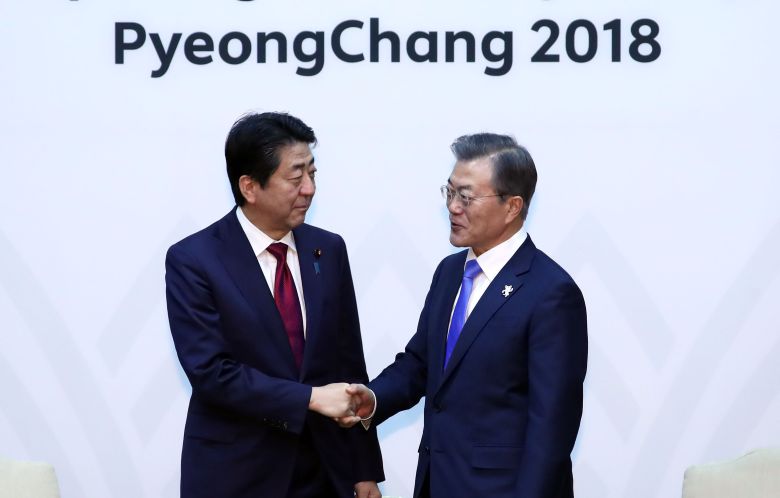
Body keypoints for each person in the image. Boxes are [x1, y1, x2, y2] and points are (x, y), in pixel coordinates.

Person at [342, 133, 588, 498]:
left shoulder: (551, 292)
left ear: (512, 206)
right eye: (450, 192)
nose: (453, 207)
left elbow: (552, 428)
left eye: (467, 197)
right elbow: (421, 364)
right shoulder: (449, 272)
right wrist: (373, 399)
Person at [165, 111, 383, 498]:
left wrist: (364, 470)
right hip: (236, 474)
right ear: (250, 186)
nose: (309, 189)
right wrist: (311, 399)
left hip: (323, 472)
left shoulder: (328, 249)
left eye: (312, 173)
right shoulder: (195, 260)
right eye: (296, 177)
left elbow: (349, 363)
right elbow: (212, 372)